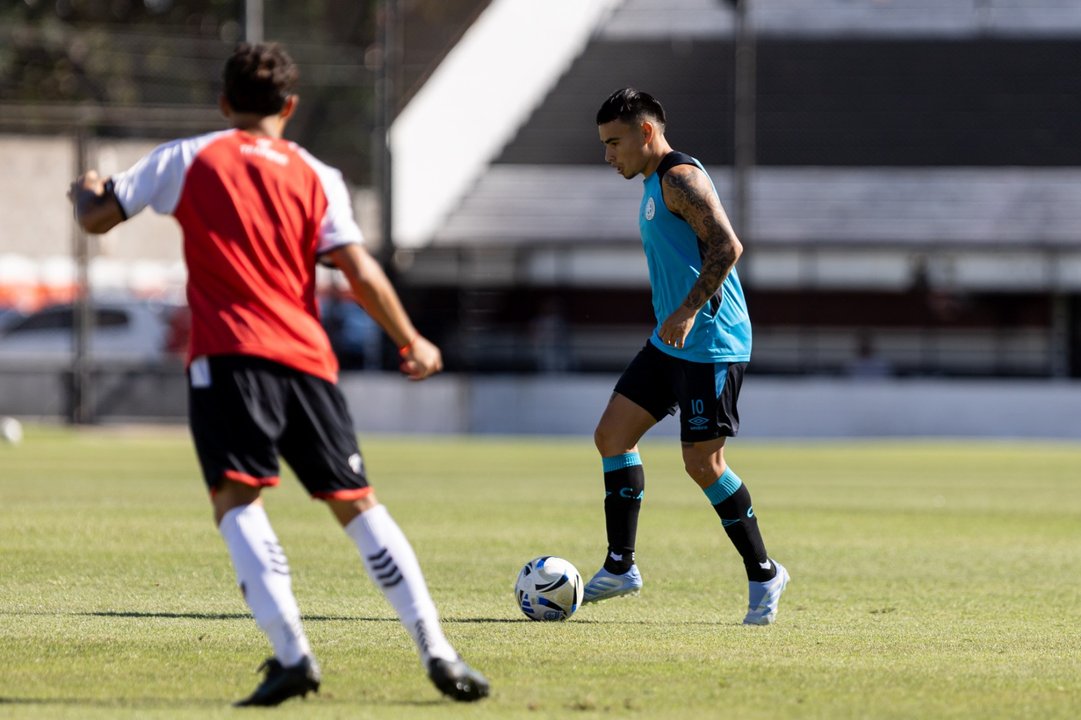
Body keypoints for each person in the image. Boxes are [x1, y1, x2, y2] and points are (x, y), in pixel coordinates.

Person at [68, 43, 488, 705]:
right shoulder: (317, 173)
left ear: (224, 102)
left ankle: (293, 654)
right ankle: (437, 649)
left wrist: (85, 191)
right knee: (357, 504)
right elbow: (356, 267)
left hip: (230, 356)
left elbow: (98, 216)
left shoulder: (188, 156)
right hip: (306, 361)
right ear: (289, 107)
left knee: (238, 501)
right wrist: (411, 339)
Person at [584, 88, 789, 625]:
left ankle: (765, 573)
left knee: (703, 464)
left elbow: (728, 246)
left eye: (614, 143)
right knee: (612, 436)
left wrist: (688, 311)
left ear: (646, 132)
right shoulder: (653, 181)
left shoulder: (679, 179)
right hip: (671, 339)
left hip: (711, 341)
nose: (609, 156)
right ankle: (621, 564)